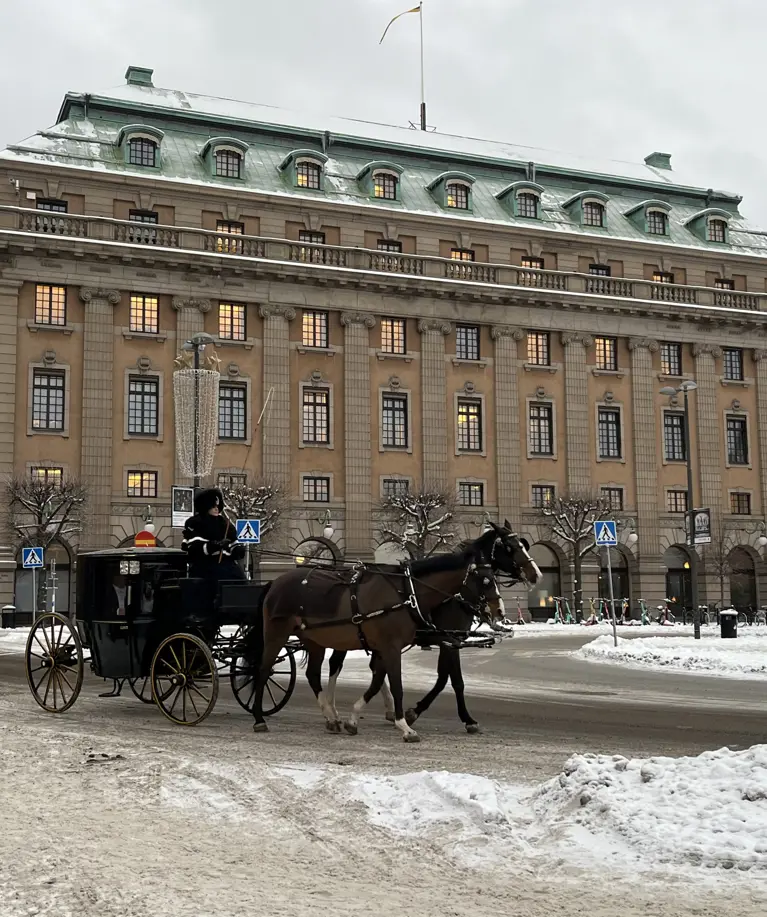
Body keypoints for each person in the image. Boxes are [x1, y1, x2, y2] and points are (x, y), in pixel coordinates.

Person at [181, 487, 246, 585]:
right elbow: (194, 548)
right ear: (205, 507)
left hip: (227, 565)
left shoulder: (225, 523)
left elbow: (233, 543)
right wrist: (215, 546)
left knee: (240, 577)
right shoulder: (196, 523)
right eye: (213, 506)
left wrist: (238, 550)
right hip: (205, 566)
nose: (216, 508)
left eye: (218, 506)